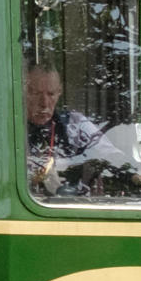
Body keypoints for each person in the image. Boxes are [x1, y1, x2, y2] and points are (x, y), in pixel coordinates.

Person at [24, 65, 106, 194]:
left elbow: (111, 157)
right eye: (36, 93)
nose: (44, 102)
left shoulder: (76, 124)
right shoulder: (10, 127)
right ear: (25, 92)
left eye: (50, 94)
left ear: (59, 92)